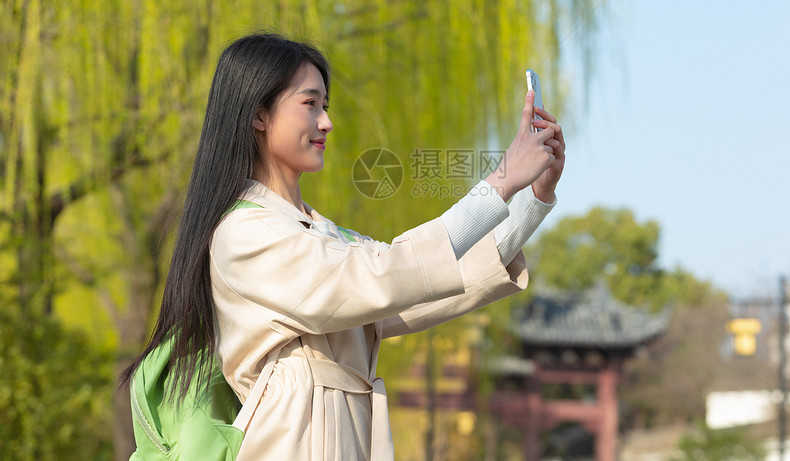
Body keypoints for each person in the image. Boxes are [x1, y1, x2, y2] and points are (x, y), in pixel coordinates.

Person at [120, 33, 565, 460]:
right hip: (291, 443)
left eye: (325, 106)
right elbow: (384, 276)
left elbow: (420, 281)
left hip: (346, 435)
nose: (326, 122)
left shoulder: (321, 233)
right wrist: (501, 182)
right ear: (259, 114)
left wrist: (534, 197)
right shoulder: (243, 232)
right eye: (310, 104)